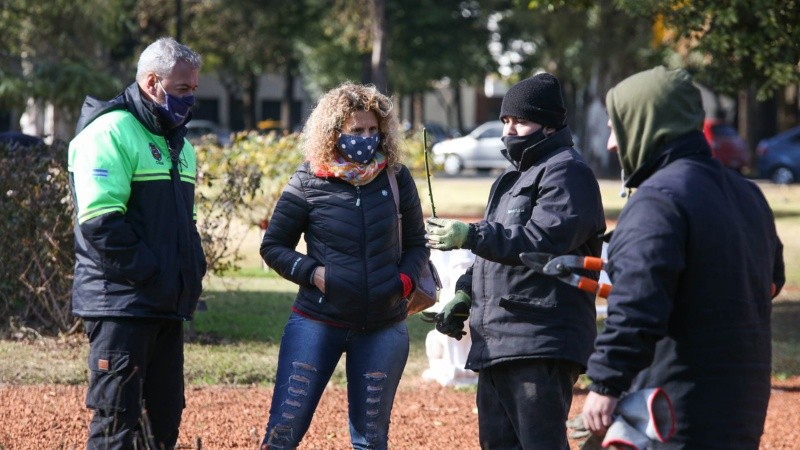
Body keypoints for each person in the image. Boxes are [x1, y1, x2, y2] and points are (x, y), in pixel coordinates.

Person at [582, 66, 785, 449]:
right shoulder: (748, 194)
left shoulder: (658, 200)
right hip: (742, 406)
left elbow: (638, 303)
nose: (611, 143)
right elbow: (772, 282)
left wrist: (606, 383)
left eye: (615, 127)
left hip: (673, 413)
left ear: (645, 122)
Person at [425, 72, 606, 449]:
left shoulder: (568, 172)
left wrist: (471, 235)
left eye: (521, 121)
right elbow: (494, 258)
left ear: (550, 124)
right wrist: (464, 294)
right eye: (506, 120)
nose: (510, 130)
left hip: (541, 339)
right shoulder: (509, 180)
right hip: (496, 343)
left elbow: (544, 242)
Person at [258, 82, 429, 450]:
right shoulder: (308, 179)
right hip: (317, 321)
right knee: (283, 433)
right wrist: (314, 274)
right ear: (335, 132)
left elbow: (417, 244)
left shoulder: (396, 177)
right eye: (356, 130)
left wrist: (401, 283)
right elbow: (273, 246)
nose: (366, 139)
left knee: (371, 440)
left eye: (373, 131)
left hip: (384, 325)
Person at [68, 37, 206, 449]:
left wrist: (188, 273)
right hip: (120, 306)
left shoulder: (180, 144)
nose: (191, 99)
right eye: (183, 89)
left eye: (195, 89)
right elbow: (100, 222)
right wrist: (156, 274)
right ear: (152, 82)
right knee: (116, 425)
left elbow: (187, 225)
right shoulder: (109, 131)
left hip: (165, 304)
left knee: (163, 424)